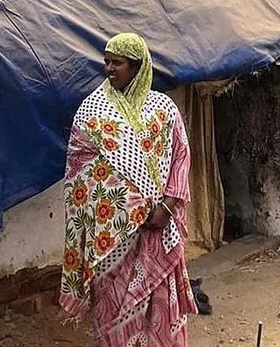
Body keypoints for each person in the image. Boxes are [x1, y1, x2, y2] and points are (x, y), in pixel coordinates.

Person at [61, 33, 197, 346]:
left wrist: (167, 206)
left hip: (157, 229)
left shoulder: (164, 109)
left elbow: (180, 158)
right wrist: (127, 206)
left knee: (160, 307)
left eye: (117, 63)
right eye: (106, 61)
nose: (109, 68)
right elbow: (79, 169)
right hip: (111, 234)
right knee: (113, 306)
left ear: (137, 67)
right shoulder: (91, 112)